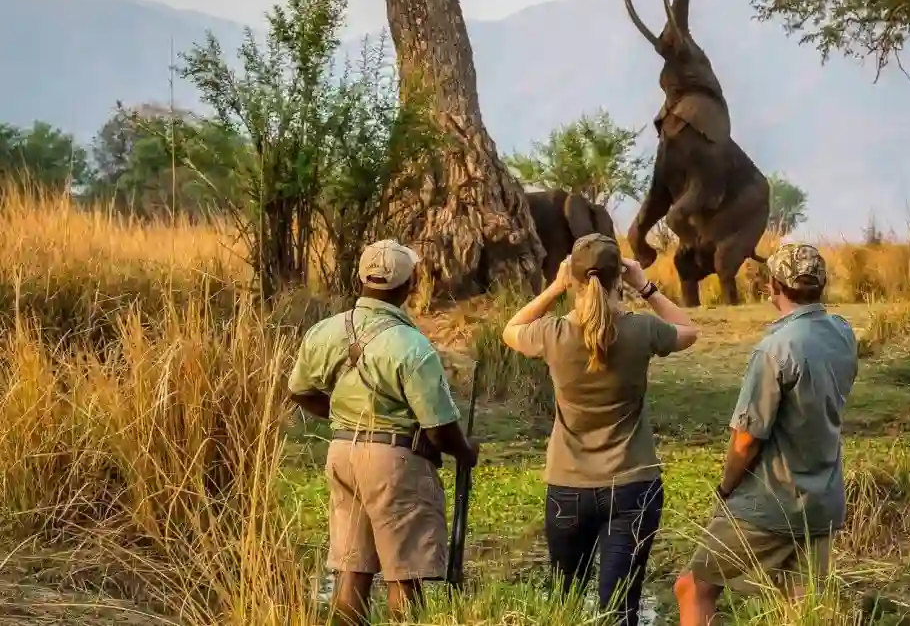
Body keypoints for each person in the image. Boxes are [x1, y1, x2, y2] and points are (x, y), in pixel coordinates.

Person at [501, 233, 700, 626]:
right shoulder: (642, 330)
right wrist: (645, 285)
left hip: (567, 486)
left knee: (565, 601)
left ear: (573, 277)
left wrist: (555, 287)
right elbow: (689, 331)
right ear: (617, 278)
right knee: (620, 607)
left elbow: (511, 329)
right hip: (633, 485)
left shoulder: (553, 333)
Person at [286, 239, 480, 626]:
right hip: (395, 462)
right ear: (410, 286)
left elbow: (299, 391)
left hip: (342, 454)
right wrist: (465, 451)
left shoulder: (324, 331)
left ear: (361, 278)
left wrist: (344, 418)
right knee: (403, 576)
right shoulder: (413, 346)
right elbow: (439, 428)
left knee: (352, 573)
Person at [674, 243, 858, 626]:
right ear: (821, 284)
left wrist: (726, 488)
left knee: (693, 587)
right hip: (823, 498)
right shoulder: (842, 332)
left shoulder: (775, 349)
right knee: (803, 610)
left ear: (773, 286)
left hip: (772, 501)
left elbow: (746, 439)